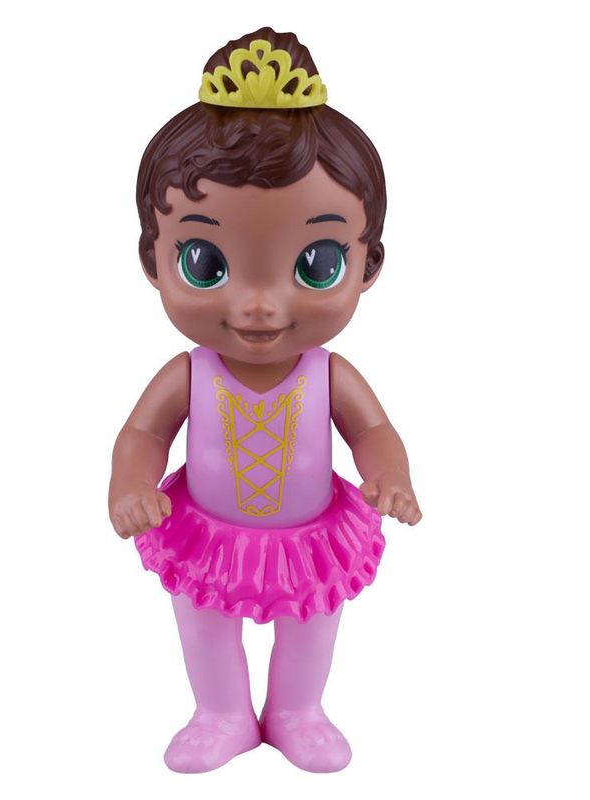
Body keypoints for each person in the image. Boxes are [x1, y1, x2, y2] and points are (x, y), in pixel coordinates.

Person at [109, 26, 422, 774]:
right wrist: (130, 484)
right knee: (204, 625)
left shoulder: (330, 373)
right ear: (153, 259)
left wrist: (390, 474)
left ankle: (296, 710)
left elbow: (373, 428)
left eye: (315, 263)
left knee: (312, 624)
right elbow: (143, 433)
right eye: (205, 262)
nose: (258, 305)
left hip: (311, 537)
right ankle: (221, 713)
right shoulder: (189, 373)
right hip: (204, 532)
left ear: (367, 264)